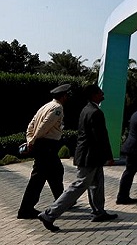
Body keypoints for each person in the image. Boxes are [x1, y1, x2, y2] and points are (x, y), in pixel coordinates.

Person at [37, 84, 117, 232]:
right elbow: (100, 138)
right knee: (79, 186)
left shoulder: (86, 110)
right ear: (94, 95)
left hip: (89, 155)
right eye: (100, 92)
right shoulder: (95, 112)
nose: (103, 93)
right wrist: (109, 156)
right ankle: (49, 214)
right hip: (90, 156)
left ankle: (99, 212)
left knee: (97, 183)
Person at [17, 84, 72, 219]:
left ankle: (61, 201)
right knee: (38, 178)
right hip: (46, 145)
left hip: (43, 145)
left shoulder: (45, 106)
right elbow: (44, 126)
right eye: (67, 95)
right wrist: (32, 141)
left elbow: (32, 124)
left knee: (56, 171)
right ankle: (25, 209)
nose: (68, 97)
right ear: (63, 96)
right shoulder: (57, 108)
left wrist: (30, 138)